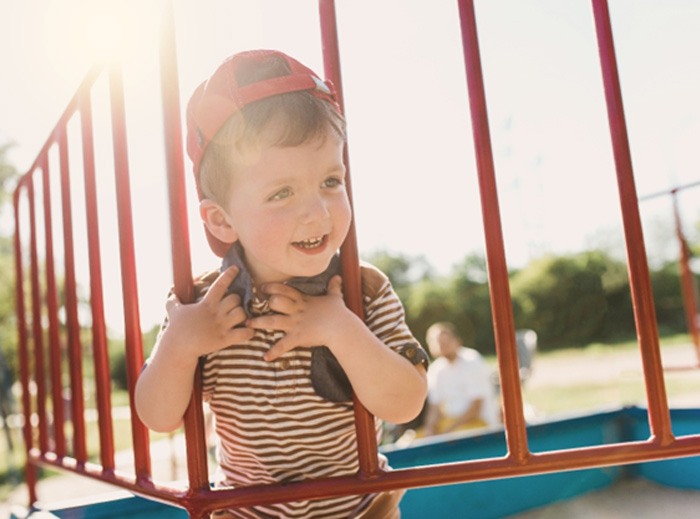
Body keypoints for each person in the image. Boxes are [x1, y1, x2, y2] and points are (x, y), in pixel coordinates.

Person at [134, 49, 429, 519]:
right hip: (249, 512)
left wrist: (342, 329)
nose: (319, 211)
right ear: (221, 219)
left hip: (360, 510)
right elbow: (158, 417)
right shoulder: (200, 303)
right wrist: (180, 345)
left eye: (331, 181)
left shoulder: (362, 290)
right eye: (282, 193)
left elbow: (406, 404)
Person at [422, 322, 499, 436]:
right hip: (451, 423)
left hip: (479, 424)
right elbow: (434, 408)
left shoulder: (471, 361)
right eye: (438, 343)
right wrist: (429, 430)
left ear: (457, 341)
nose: (442, 346)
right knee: (410, 440)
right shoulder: (436, 369)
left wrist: (447, 431)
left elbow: (475, 408)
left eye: (446, 342)